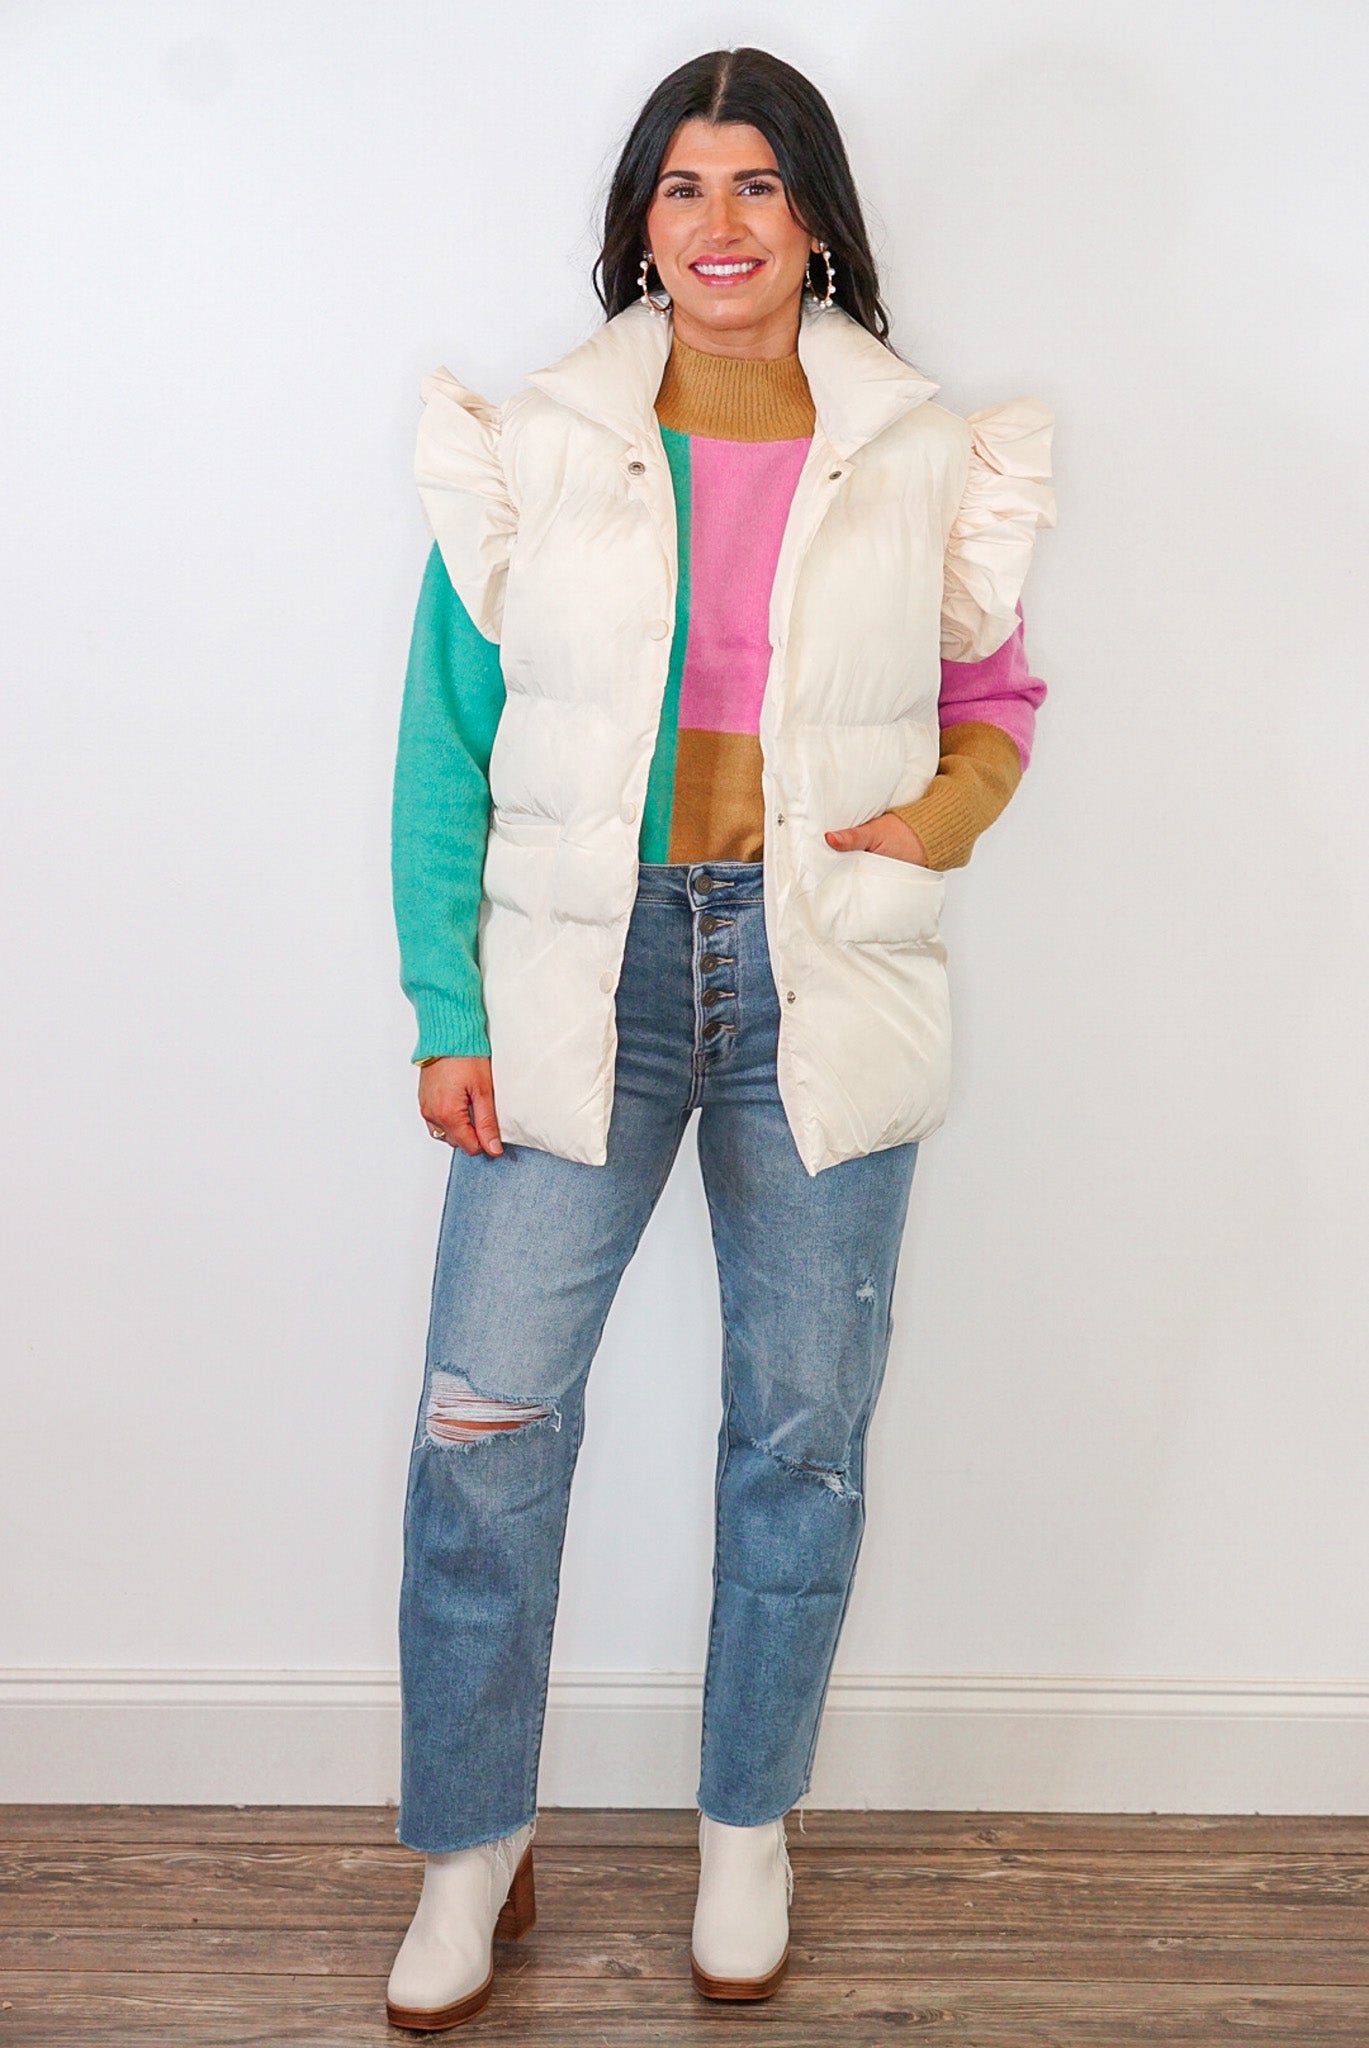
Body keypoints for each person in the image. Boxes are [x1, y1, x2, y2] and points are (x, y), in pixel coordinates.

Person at [385, 45, 1056, 2033]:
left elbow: (994, 695)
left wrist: (935, 821)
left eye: (757, 182)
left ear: (815, 219)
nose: (719, 221)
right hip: (576, 982)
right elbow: (445, 741)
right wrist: (445, 1007)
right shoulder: (540, 441)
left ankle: (747, 1828)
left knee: (800, 1435)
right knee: (486, 1425)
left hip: (816, 971)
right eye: (682, 186)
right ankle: (469, 1847)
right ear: (641, 223)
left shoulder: (919, 448)